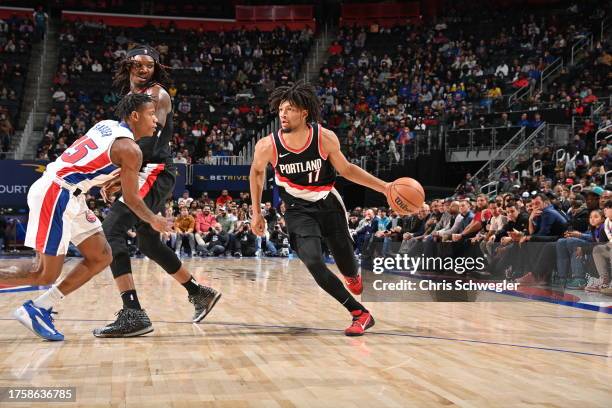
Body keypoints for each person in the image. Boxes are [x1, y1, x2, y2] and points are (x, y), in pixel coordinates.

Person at [0, 93, 170, 341]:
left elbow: (95, 160)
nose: (156, 120)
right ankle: (36, 308)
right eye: (151, 114)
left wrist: (109, 178)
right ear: (135, 116)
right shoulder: (131, 149)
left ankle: (39, 308)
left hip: (72, 195)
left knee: (101, 256)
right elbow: (132, 199)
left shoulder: (107, 126)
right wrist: (153, 219)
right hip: (57, 192)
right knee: (43, 273)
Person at [94, 45, 220, 338]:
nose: (143, 69)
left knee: (112, 229)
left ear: (155, 69)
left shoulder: (157, 95)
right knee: (149, 242)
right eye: (137, 64)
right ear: (128, 65)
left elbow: (151, 141)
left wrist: (124, 172)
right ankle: (198, 292)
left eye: (149, 65)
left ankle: (133, 313)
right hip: (147, 169)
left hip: (153, 168)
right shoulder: (129, 97)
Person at [250, 81, 394, 336]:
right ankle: (360, 313)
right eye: (281, 109)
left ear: (304, 112)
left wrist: (385, 188)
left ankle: (352, 274)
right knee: (314, 261)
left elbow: (347, 170)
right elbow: (257, 173)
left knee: (348, 265)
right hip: (297, 208)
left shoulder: (324, 137)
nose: (283, 114)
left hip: (328, 202)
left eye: (290, 109)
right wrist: (256, 212)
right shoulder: (267, 145)